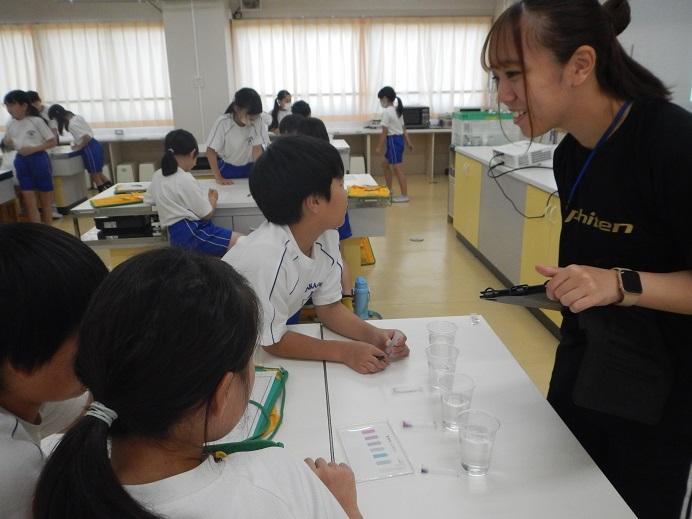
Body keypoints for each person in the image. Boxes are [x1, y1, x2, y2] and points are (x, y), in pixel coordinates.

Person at [484, 1, 692, 518]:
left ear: (579, 65)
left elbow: (618, 276)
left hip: (661, 397)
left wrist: (620, 284)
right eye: (496, 78)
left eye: (514, 74)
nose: (503, 95)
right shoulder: (570, 153)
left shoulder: (671, 144)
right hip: (586, 369)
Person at [32, 247, 363, 519]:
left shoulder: (48, 463)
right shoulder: (276, 485)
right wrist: (345, 507)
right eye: (249, 358)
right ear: (221, 394)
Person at [223, 136, 409, 374]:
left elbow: (329, 308)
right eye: (340, 184)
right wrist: (345, 352)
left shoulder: (326, 237)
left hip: (250, 346)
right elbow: (273, 342)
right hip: (218, 352)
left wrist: (376, 335)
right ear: (314, 202)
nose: (346, 192)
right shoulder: (268, 258)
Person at [0, 223, 108, 519]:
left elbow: (86, 405)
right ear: (22, 360)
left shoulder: (24, 390)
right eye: (89, 340)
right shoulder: (14, 473)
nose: (100, 349)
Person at [144, 129, 242, 256]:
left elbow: (148, 199)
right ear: (192, 153)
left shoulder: (158, 175)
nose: (195, 163)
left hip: (176, 237)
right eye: (196, 158)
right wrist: (213, 199)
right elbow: (207, 214)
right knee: (242, 242)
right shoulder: (185, 178)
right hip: (194, 234)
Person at [295, 116, 354, 305]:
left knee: (328, 255)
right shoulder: (329, 158)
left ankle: (341, 297)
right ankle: (347, 297)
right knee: (338, 256)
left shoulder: (300, 163)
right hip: (331, 214)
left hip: (324, 217)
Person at [2, 90, 57, 224]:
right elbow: (10, 144)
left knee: (45, 201)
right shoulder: (10, 124)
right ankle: (37, 231)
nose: (9, 109)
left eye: (12, 105)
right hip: (21, 161)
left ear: (24, 105)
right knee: (29, 202)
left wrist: (33, 149)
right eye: (7, 105)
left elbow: (52, 142)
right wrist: (7, 143)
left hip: (39, 160)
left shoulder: (37, 121)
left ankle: (48, 230)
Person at [206, 88, 268, 185]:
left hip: (250, 167)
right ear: (237, 109)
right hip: (228, 168)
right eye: (250, 118)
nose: (253, 121)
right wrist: (218, 177)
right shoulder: (224, 123)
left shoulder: (258, 120)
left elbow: (257, 149)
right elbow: (210, 151)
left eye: (255, 118)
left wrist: (259, 173)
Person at [48, 104, 112, 191]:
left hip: (89, 148)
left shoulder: (72, 124)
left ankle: (103, 193)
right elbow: (85, 135)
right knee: (98, 173)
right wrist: (77, 143)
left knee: (95, 175)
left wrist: (79, 146)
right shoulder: (77, 117)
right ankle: (112, 190)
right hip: (95, 145)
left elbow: (86, 137)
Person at [376, 86, 413, 203]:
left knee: (397, 168)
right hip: (398, 141)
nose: (380, 102)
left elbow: (385, 132)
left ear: (385, 98)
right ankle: (389, 190)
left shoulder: (387, 112)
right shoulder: (397, 111)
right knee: (385, 164)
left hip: (393, 141)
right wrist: (409, 143)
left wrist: (379, 147)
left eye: (380, 99)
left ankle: (404, 195)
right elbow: (403, 129)